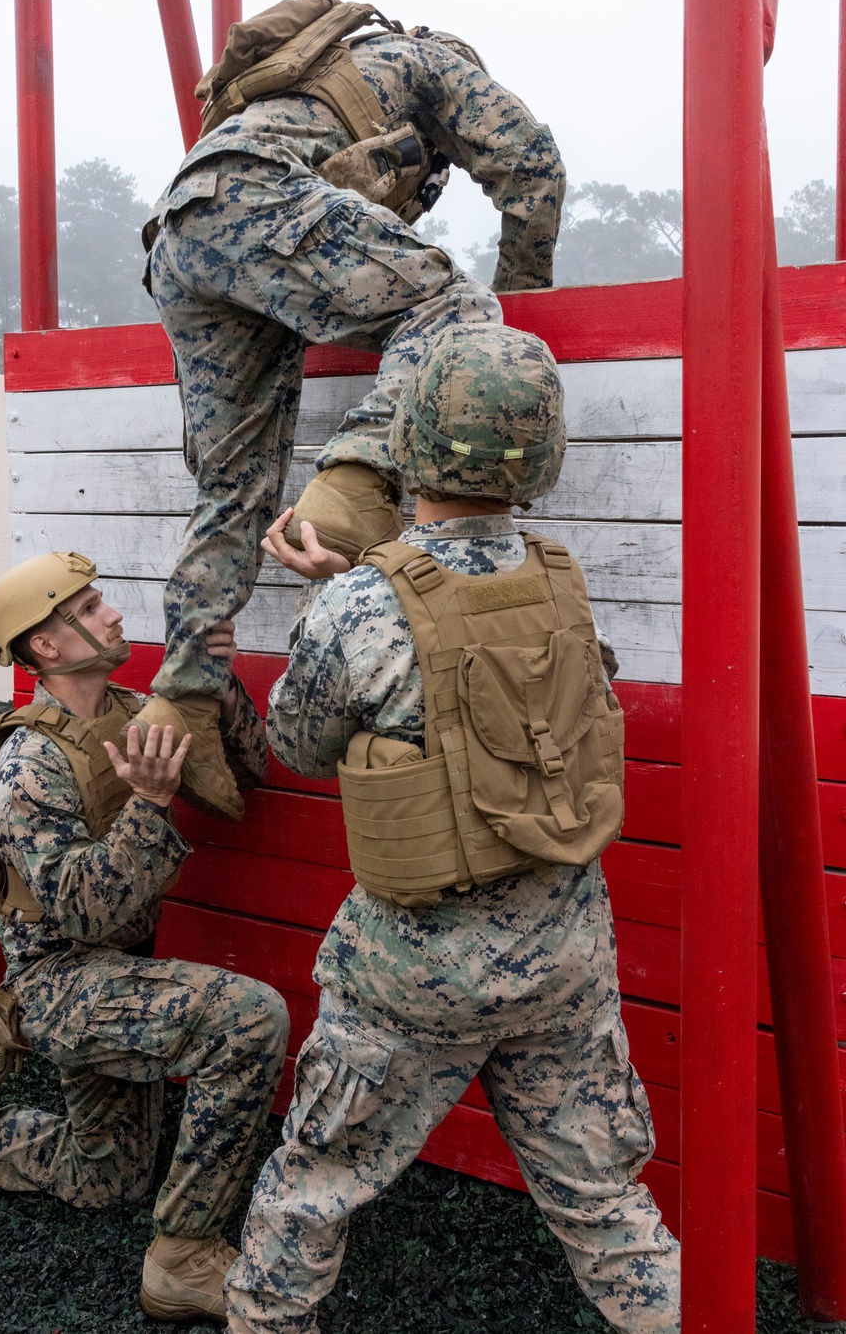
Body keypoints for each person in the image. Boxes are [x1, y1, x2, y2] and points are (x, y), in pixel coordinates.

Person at [223, 326, 681, 1333]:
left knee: (312, 1189)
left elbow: (298, 743)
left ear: (411, 444)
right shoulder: (562, 577)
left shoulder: (358, 600)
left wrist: (329, 598)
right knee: (608, 1204)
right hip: (563, 956)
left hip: (412, 973)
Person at [141, 0, 566, 822]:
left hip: (180, 235)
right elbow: (533, 164)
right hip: (260, 200)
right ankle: (354, 486)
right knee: (457, 309)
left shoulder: (304, 89)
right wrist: (525, 301)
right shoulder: (433, 64)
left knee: (234, 488)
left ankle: (185, 688)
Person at [0, 550, 290, 1325]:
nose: (114, 613)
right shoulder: (27, 766)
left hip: (121, 972)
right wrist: (149, 806)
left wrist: (215, 680)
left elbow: (248, 774)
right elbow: (82, 914)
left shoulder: (130, 712)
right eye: (87, 608)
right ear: (45, 647)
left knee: (108, 1176)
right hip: (63, 984)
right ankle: (183, 1255)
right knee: (249, 1017)